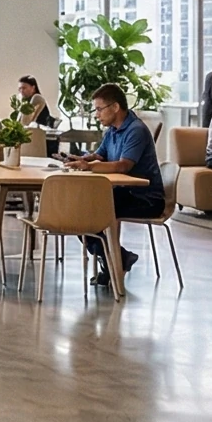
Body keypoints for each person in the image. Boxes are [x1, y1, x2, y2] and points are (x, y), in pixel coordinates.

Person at [62, 83, 163, 286]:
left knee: (89, 212)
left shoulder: (136, 130)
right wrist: (81, 159)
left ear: (115, 107)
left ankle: (115, 261)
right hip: (122, 193)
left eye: (99, 109)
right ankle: (117, 258)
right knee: (79, 211)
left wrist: (88, 168)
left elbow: (124, 166)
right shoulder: (112, 131)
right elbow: (100, 155)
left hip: (145, 198)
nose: (97, 115)